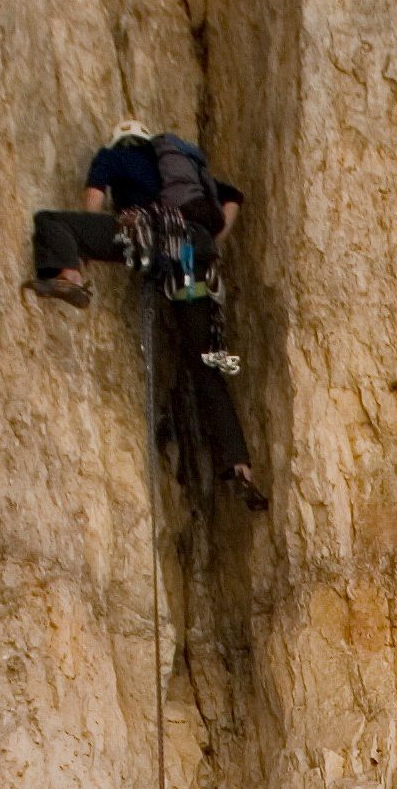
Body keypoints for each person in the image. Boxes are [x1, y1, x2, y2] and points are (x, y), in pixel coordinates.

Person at [29, 120, 267, 507]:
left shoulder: (114, 156)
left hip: (148, 238)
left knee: (51, 222)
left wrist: (87, 246)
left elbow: (94, 198)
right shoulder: (189, 173)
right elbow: (232, 199)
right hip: (194, 255)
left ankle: (68, 277)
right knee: (206, 363)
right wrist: (212, 243)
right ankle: (239, 466)